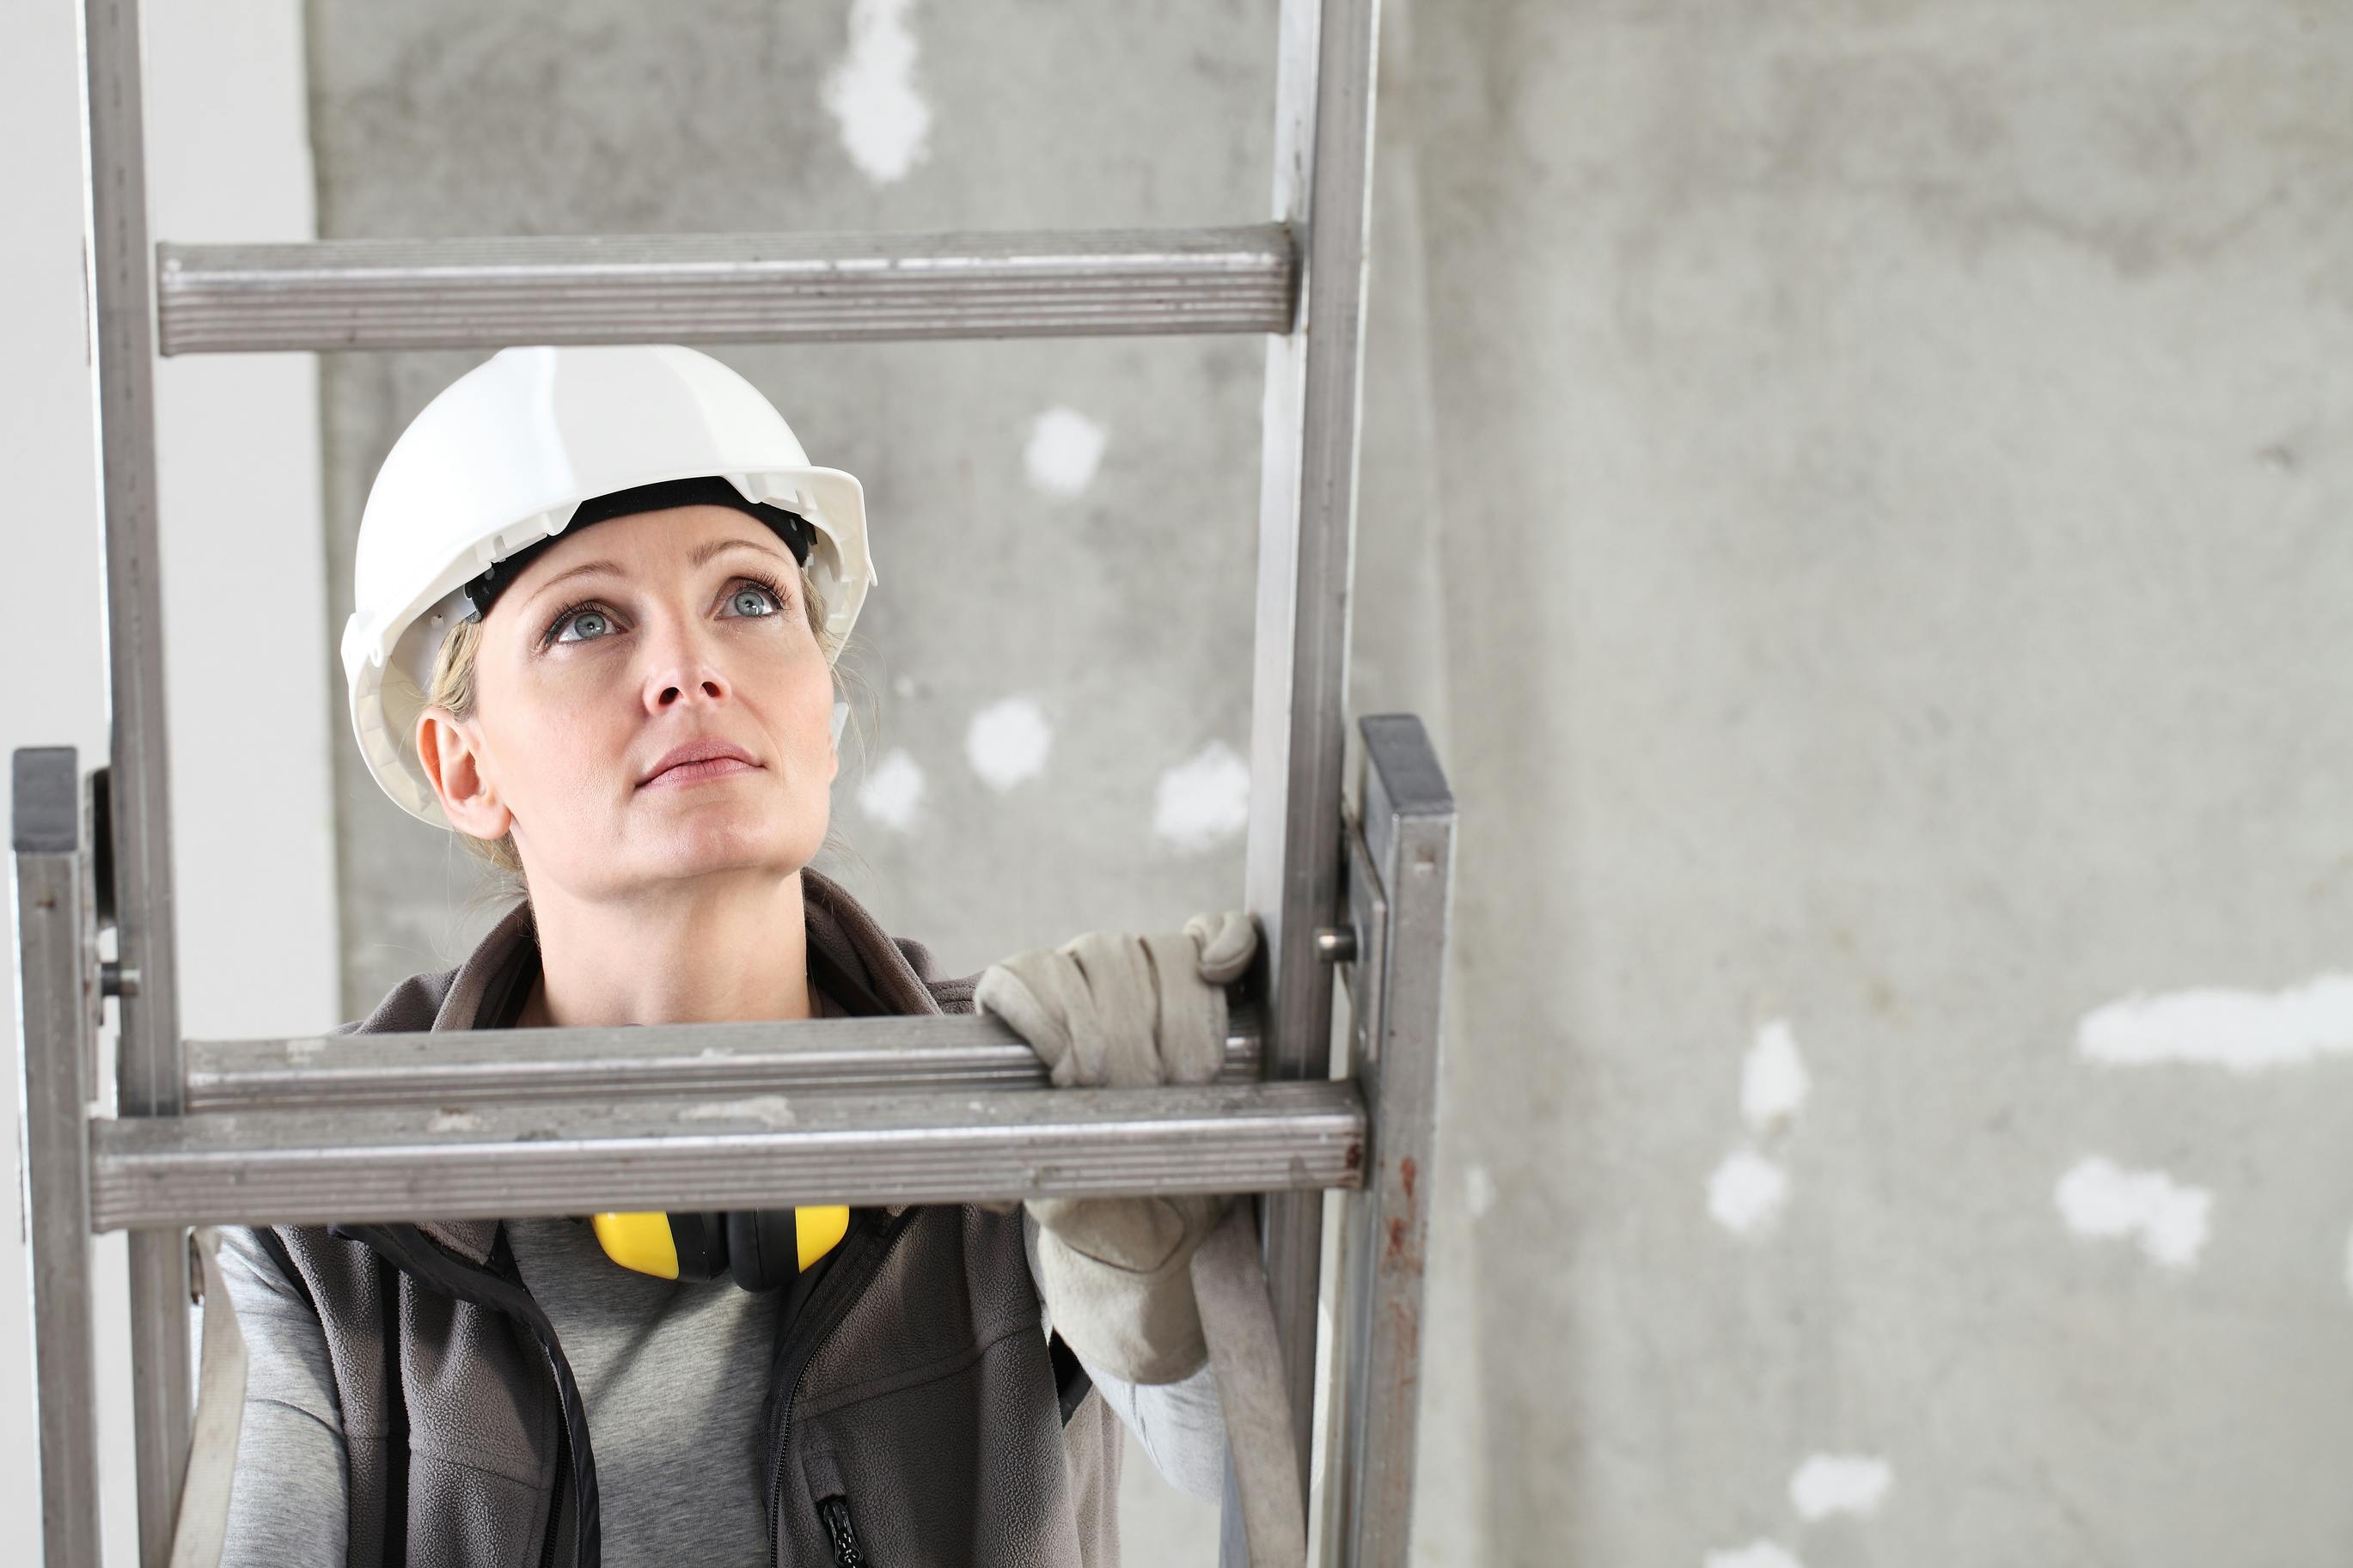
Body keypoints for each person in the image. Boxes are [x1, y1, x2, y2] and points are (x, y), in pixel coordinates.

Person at [215, 344, 1245, 1567]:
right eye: (585, 621)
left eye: (749, 597)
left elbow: (1266, 1487)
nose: (686, 669)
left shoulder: (1018, 1106)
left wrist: (1162, 1288)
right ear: (464, 768)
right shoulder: (324, 1207)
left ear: (824, 700)